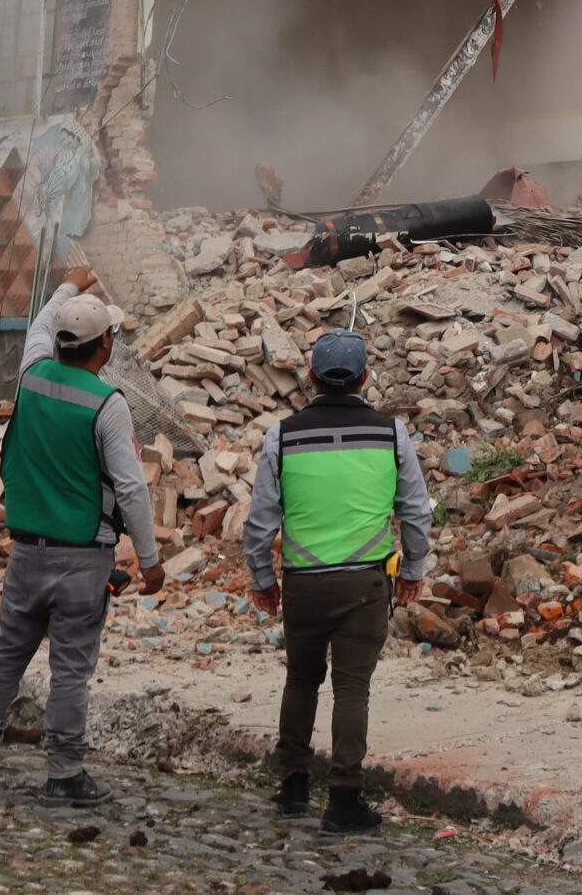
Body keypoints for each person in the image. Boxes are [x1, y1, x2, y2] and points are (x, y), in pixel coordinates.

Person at [0, 263, 163, 805]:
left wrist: (69, 287)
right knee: (71, 668)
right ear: (104, 346)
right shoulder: (106, 404)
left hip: (27, 551)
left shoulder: (31, 376)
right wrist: (150, 556)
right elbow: (132, 489)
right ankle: (64, 773)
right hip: (82, 558)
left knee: (6, 655)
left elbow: (42, 324)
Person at [244, 328, 433, 834]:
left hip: (303, 584)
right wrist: (413, 569)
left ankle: (292, 788)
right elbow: (415, 510)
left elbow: (260, 520)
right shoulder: (392, 433)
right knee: (353, 690)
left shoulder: (281, 436)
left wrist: (263, 578)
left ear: (310, 378)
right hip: (365, 586)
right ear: (365, 378)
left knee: (301, 679)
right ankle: (344, 799)